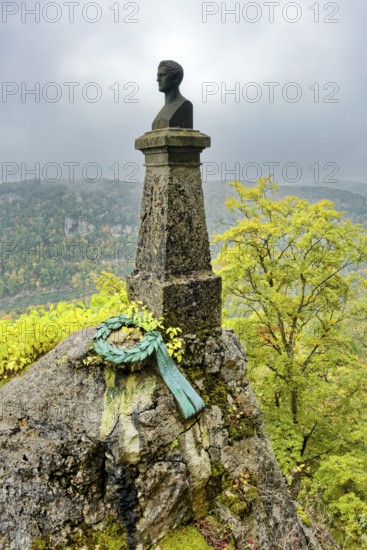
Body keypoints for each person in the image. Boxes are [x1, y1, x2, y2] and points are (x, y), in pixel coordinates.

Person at [152, 60, 193, 130]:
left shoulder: (185, 105)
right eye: (158, 76)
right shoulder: (164, 108)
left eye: (162, 75)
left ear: (176, 78)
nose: (158, 79)